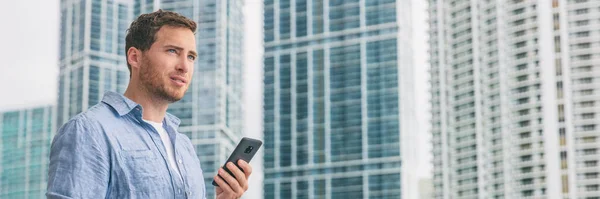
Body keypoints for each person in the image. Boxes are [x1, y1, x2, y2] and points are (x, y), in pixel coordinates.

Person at [47, 9, 252, 199]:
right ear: (135, 57)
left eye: (191, 56)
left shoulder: (184, 147)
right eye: (172, 51)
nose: (184, 66)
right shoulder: (89, 131)